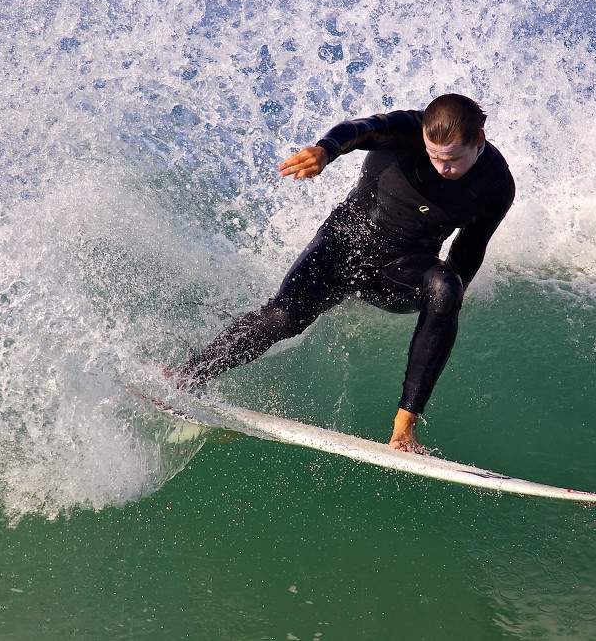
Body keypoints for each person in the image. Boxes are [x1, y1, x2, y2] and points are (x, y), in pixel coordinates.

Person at [178, 93, 515, 453]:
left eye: (451, 160)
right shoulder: (408, 130)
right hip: (346, 241)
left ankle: (404, 427)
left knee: (448, 287)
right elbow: (363, 129)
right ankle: (186, 377)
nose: (441, 168)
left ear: (479, 139)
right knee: (287, 317)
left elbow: (468, 252)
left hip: (402, 269)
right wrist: (326, 150)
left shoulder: (496, 185)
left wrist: (445, 305)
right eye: (433, 156)